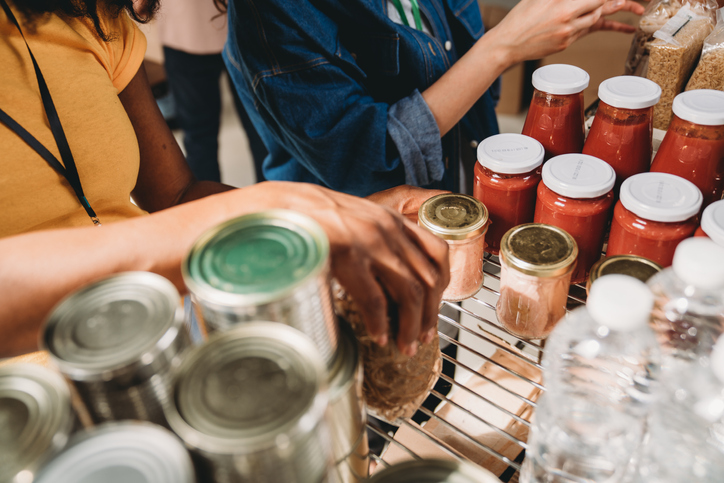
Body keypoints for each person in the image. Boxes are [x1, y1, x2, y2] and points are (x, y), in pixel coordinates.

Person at [0, 0, 449, 358]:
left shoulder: (88, 18)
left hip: (163, 342)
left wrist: (340, 216)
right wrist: (288, 209)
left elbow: (178, 195)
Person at [221, 0, 644, 197]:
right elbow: (369, 161)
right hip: (364, 240)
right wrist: (503, 47)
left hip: (456, 189)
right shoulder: (273, 13)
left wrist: (543, 23)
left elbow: (468, 81)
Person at [157, 0, 267, 182]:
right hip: (240, 26)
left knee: (199, 137)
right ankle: (270, 204)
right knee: (261, 131)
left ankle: (209, 205)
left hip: (186, 28)